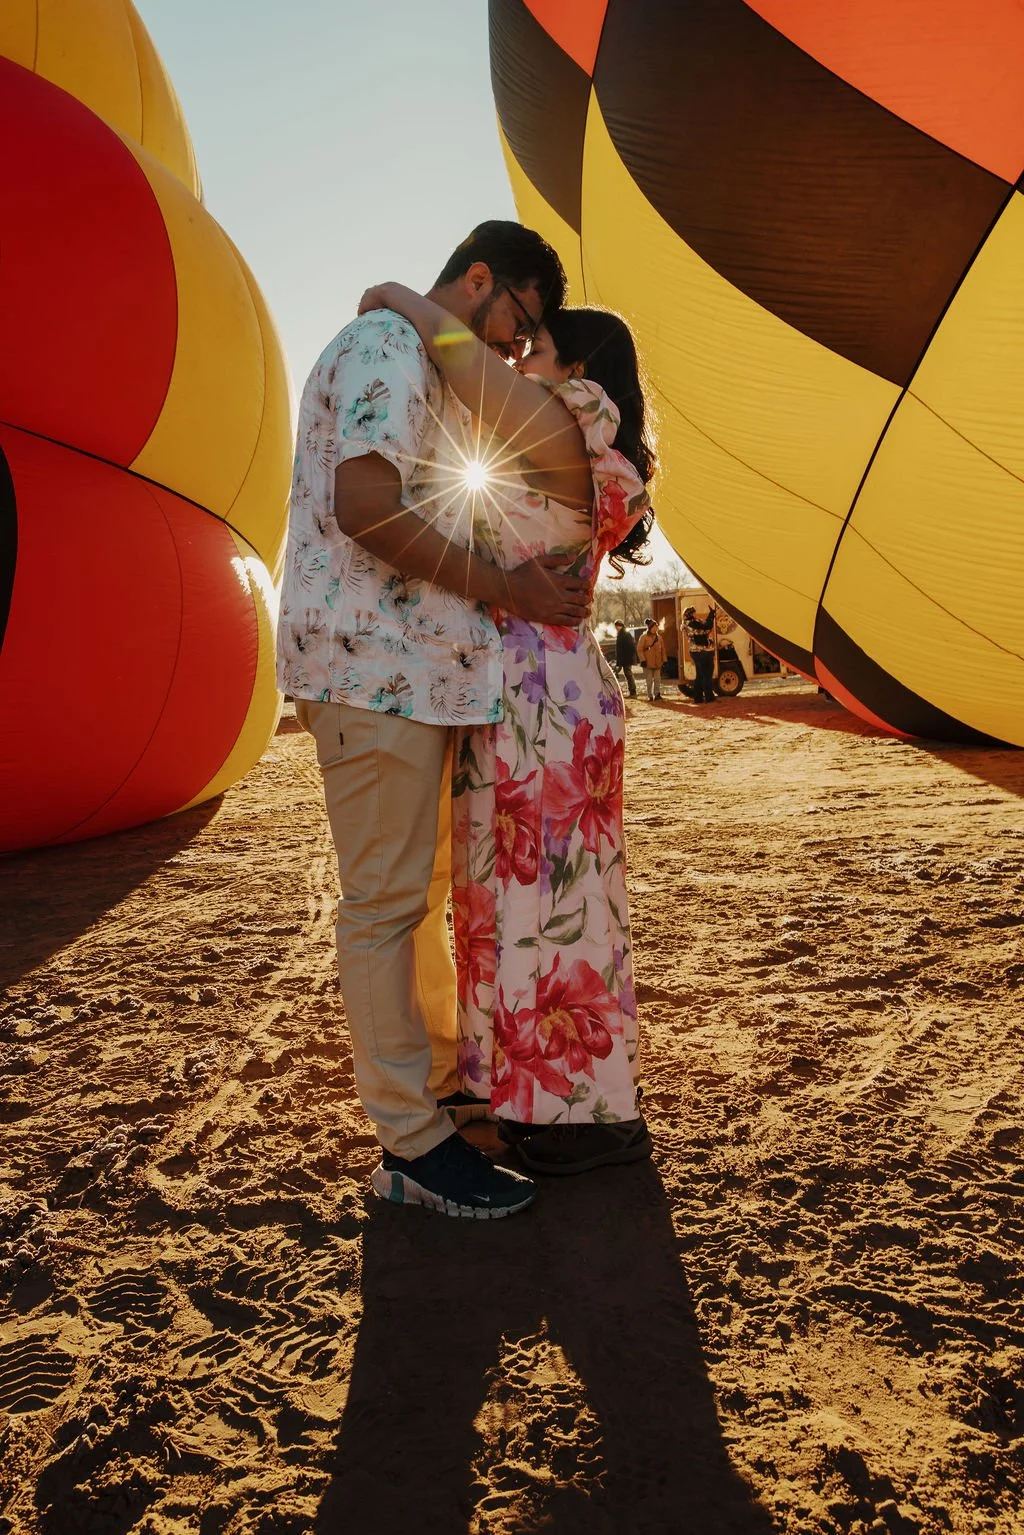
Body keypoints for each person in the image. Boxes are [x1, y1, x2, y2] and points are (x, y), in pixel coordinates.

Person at [279, 222, 598, 1221]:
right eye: (518, 323)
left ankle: (439, 1101)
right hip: (370, 672)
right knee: (383, 906)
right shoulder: (386, 345)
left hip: (410, 677)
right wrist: (506, 585)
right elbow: (366, 503)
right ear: (478, 278)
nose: (514, 348)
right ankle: (411, 1145)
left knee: (414, 903)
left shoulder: (427, 361)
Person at [358, 282, 656, 1175]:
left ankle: (575, 1113)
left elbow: (465, 366)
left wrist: (398, 297)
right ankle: (534, 1098)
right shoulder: (569, 439)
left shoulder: (564, 425)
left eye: (539, 347)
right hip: (533, 695)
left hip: (543, 700)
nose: (522, 358)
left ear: (580, 369)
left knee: (547, 904)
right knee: (514, 899)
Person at [683, 605, 717, 704]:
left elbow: (705, 626)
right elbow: (708, 626)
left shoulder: (686, 623)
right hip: (703, 651)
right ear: (691, 614)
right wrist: (711, 615)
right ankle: (709, 697)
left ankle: (698, 698)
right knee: (707, 675)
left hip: (695, 652)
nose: (695, 614)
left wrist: (710, 617)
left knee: (700, 676)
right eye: (694, 613)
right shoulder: (693, 623)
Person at [637, 618, 666, 700]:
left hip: (657, 662)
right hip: (647, 662)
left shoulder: (659, 638)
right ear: (650, 628)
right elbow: (639, 649)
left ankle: (657, 694)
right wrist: (643, 660)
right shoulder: (644, 637)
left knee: (657, 680)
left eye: (656, 627)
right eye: (654, 627)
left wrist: (664, 660)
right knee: (649, 680)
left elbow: (663, 650)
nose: (655, 628)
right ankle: (650, 695)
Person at [614, 620, 638, 698]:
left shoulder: (624, 634)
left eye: (617, 626)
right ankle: (632, 691)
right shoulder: (623, 634)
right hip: (625, 658)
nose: (616, 628)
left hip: (626, 658)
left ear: (619, 626)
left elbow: (630, 647)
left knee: (628, 674)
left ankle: (633, 692)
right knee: (627, 674)